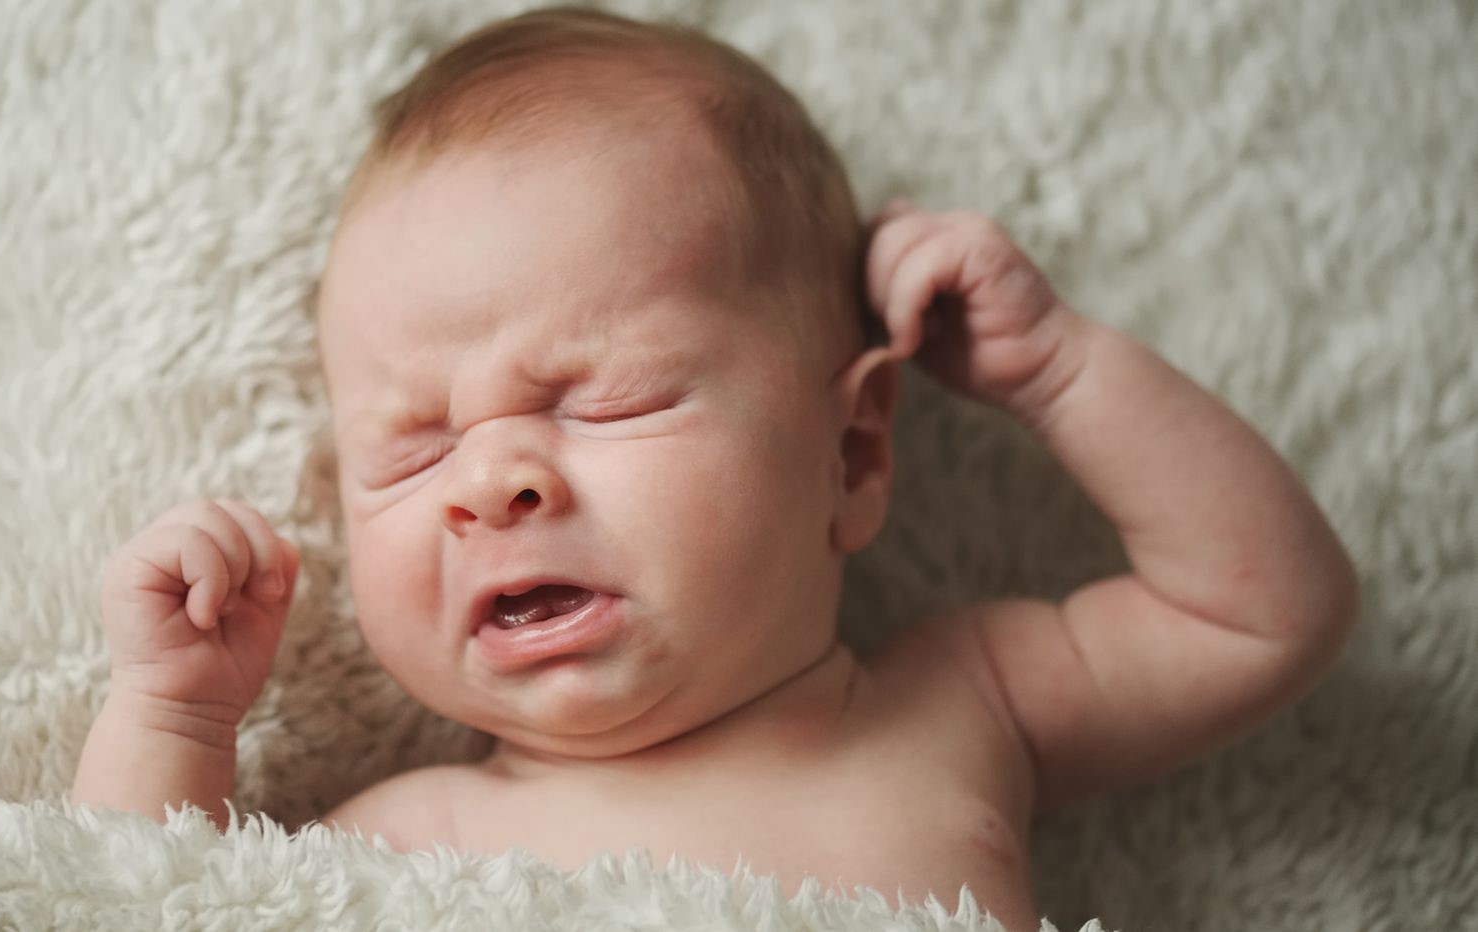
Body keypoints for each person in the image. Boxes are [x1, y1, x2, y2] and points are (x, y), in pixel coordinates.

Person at [70, 8, 1358, 928]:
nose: (487, 481)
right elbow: (137, 911)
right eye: (411, 450)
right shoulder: (416, 834)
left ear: (850, 454)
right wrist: (177, 720)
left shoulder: (963, 704)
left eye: (604, 399)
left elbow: (1260, 613)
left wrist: (1058, 371)